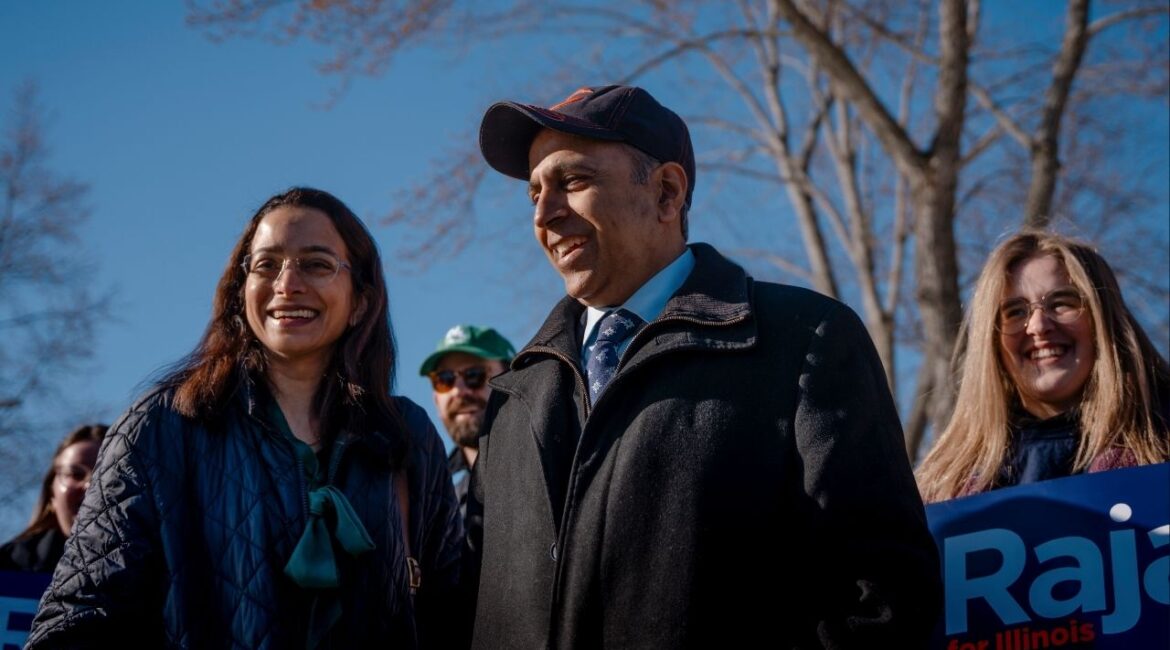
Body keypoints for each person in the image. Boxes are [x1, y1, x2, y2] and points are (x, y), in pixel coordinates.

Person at [464, 84, 942, 648]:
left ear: (667, 192)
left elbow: (885, 594)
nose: (545, 214)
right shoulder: (511, 398)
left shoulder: (804, 340)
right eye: (535, 194)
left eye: (573, 181)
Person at [27, 188, 462, 648]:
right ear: (240, 293)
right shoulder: (159, 427)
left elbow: (451, 617)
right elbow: (75, 622)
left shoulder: (406, 437)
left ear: (360, 301)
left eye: (316, 263)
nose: (287, 283)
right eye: (266, 264)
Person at [916, 230, 1169, 502]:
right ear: (991, 342)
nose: (1038, 326)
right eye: (1015, 311)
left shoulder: (1162, 445)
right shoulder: (940, 488)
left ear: (1103, 319)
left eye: (1062, 303)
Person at [418, 324, 515, 519]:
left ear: (514, 384)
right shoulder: (436, 508)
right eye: (444, 380)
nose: (458, 391)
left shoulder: (553, 469)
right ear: (436, 400)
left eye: (474, 375)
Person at [0, 424, 107, 573]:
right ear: (51, 494)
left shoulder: (149, 574)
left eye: (105, 476)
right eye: (75, 474)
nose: (89, 486)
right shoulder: (7, 567)